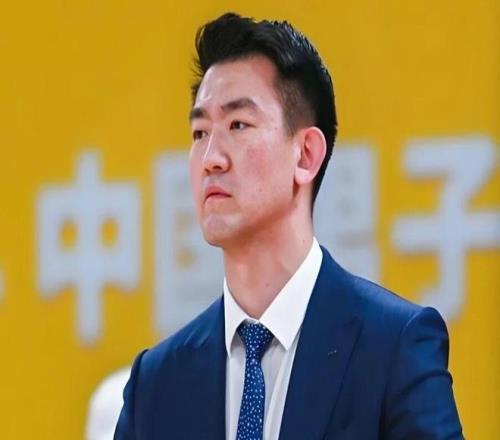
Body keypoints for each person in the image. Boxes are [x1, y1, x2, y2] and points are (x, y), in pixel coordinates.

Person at [114, 12, 463, 439]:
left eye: (238, 125)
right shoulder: (156, 384)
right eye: (200, 132)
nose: (210, 159)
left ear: (306, 155)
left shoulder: (393, 347)